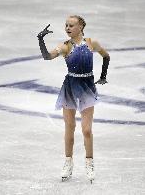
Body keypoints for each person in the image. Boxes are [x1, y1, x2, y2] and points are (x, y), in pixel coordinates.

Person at [37, 15, 110, 183]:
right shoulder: (65, 46)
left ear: (81, 27)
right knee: (69, 127)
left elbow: (106, 56)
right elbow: (47, 57)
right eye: (66, 25)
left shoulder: (92, 43)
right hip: (70, 87)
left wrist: (103, 76)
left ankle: (89, 162)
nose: (67, 28)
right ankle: (68, 162)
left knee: (86, 130)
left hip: (87, 87)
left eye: (71, 25)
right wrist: (41, 40)